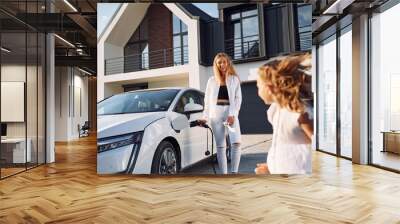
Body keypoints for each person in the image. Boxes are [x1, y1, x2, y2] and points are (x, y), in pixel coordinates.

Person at [255, 53, 313, 175]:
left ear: (269, 88)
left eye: (258, 86)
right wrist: (272, 166)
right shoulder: (275, 111)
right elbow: (285, 147)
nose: (258, 91)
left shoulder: (299, 113)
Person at [198, 53, 242, 174]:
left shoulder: (234, 79)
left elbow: (238, 99)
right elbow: (207, 101)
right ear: (216, 65)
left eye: (224, 62)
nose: (222, 64)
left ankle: (234, 173)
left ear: (228, 62)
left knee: (236, 142)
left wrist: (233, 114)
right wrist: (205, 117)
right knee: (221, 147)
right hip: (216, 116)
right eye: (219, 62)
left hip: (230, 115)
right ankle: (224, 175)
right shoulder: (211, 81)